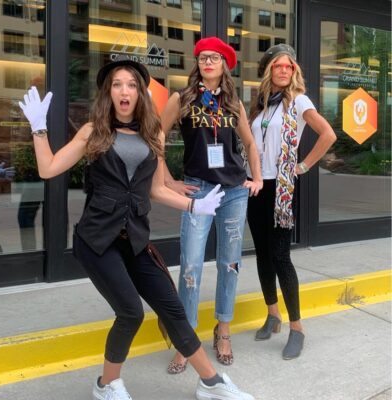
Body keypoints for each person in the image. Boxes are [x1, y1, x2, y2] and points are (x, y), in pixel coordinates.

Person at [19, 56, 256, 400]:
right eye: (117, 84)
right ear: (109, 92)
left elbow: (157, 189)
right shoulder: (93, 131)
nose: (124, 90)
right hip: (98, 239)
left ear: (140, 93)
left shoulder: (152, 134)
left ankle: (212, 383)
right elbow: (48, 167)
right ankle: (107, 385)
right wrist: (38, 128)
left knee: (172, 308)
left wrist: (195, 205)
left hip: (135, 238)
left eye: (131, 84)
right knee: (130, 311)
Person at [161, 37, 263, 373]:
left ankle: (223, 331)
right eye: (203, 57)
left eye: (214, 58)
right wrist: (167, 179)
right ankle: (186, 341)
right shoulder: (183, 98)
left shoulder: (233, 103)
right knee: (190, 264)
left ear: (224, 65)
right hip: (198, 189)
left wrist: (257, 178)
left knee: (229, 264)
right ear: (197, 63)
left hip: (233, 190)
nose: (208, 63)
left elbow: (249, 143)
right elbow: (155, 136)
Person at [246, 44, 336, 360]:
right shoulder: (260, 104)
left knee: (281, 256)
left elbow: (327, 134)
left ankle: (297, 328)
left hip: (281, 189)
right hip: (256, 186)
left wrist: (302, 167)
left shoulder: (299, 101)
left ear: (294, 70)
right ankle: (273, 314)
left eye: (289, 66)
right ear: (270, 70)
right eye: (278, 66)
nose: (283, 70)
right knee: (262, 255)